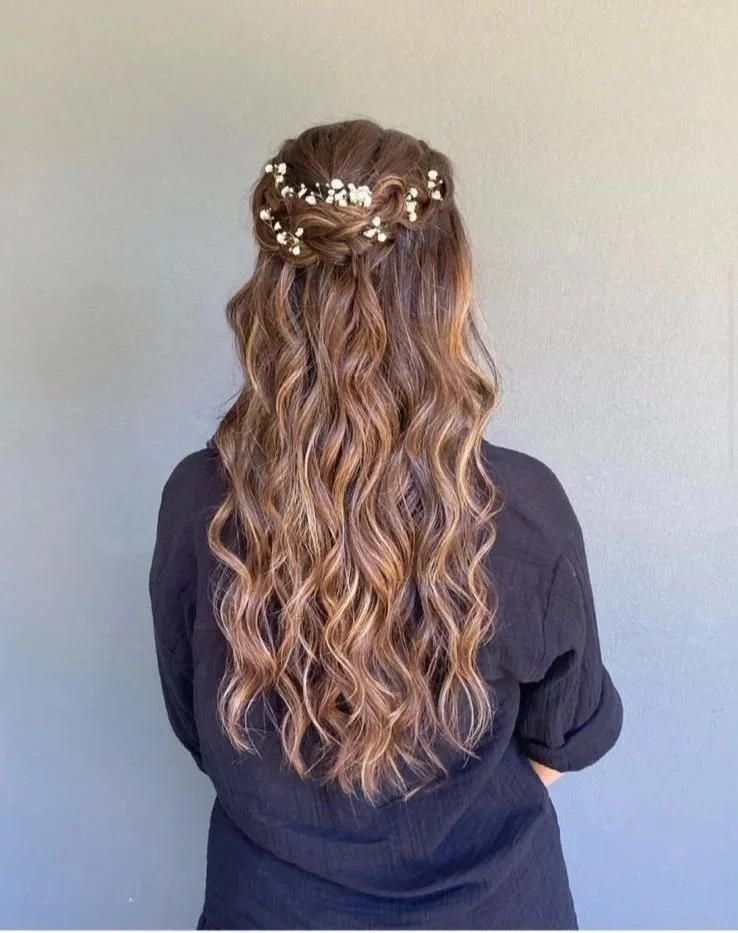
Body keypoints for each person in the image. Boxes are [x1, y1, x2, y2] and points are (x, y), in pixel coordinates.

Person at [149, 119, 623, 930]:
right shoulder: (523, 508)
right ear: (445, 290)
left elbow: (199, 725)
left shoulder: (201, 501)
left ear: (276, 289)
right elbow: (564, 734)